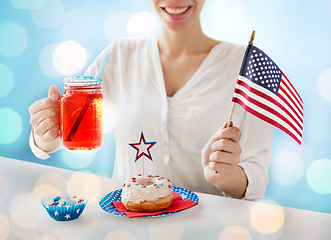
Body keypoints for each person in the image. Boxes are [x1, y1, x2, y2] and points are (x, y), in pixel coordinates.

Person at [29, 0, 273, 201]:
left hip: (205, 228)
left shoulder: (243, 66)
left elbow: (256, 179)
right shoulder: (119, 56)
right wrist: (46, 132)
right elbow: (69, 130)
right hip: (127, 225)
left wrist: (227, 176)